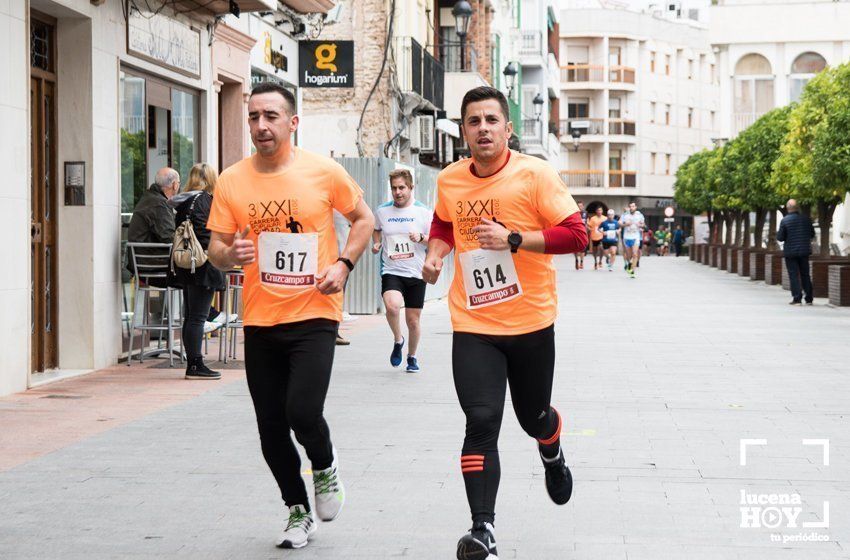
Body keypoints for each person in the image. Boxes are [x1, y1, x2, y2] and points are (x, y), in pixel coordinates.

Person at [206, 82, 374, 549]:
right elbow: (215, 249)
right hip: (260, 318)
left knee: (302, 409)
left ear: (292, 122)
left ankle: (324, 465)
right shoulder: (232, 180)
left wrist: (344, 264)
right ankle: (297, 509)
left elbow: (364, 220)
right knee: (270, 425)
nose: (261, 125)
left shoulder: (324, 172)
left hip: (315, 311)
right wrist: (229, 253)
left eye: (271, 116)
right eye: (254, 117)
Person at [422, 86, 585, 560]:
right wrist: (435, 254)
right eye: (474, 121)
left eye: (492, 120)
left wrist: (514, 238)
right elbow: (444, 224)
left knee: (533, 417)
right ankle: (483, 530)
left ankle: (551, 450)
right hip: (474, 322)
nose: (483, 129)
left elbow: (577, 235)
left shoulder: (536, 174)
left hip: (531, 322)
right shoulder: (450, 179)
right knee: (481, 421)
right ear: (463, 131)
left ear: (507, 129)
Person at [168, 163, 226, 380]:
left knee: (191, 316)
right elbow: (207, 233)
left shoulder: (183, 202)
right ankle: (195, 365)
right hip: (203, 265)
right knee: (197, 318)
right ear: (212, 179)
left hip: (187, 265)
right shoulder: (204, 201)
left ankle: (193, 362)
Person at [371, 169, 431, 372]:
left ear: (411, 188)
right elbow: (376, 229)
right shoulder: (382, 211)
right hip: (392, 270)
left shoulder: (423, 212)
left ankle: (412, 357)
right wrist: (377, 243)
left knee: (413, 321)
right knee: (392, 307)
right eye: (394, 188)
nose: (398, 192)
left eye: (402, 188)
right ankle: (398, 340)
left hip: (416, 272)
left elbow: (436, 241)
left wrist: (421, 238)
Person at [126, 167, 180, 283]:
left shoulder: (150, 198)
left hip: (143, 263)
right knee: (194, 270)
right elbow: (168, 237)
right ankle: (197, 302)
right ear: (175, 185)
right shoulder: (159, 204)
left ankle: (194, 302)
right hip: (152, 266)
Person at [777, 198, 815, 305]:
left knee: (793, 275)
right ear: (797, 208)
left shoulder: (785, 220)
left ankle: (797, 298)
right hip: (804, 251)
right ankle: (809, 298)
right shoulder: (806, 219)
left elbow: (780, 237)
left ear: (788, 208)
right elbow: (812, 234)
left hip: (791, 252)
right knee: (805, 274)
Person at [619, 202, 645, 278]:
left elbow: (643, 224)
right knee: (628, 256)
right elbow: (619, 223)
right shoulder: (625, 215)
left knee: (635, 254)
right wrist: (625, 224)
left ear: (635, 207)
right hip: (627, 237)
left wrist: (640, 225)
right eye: (630, 206)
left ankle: (632, 271)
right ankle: (629, 264)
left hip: (636, 236)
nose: (631, 208)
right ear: (629, 207)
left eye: (633, 206)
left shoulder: (639, 215)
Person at [574, 201, 588, 270]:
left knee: (583, 248)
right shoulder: (574, 213)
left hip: (583, 232)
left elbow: (587, 222)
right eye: (578, 206)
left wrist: (587, 228)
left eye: (581, 206)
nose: (580, 207)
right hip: (576, 232)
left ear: (583, 206)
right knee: (576, 248)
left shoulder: (585, 213)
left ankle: (581, 262)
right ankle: (576, 259)